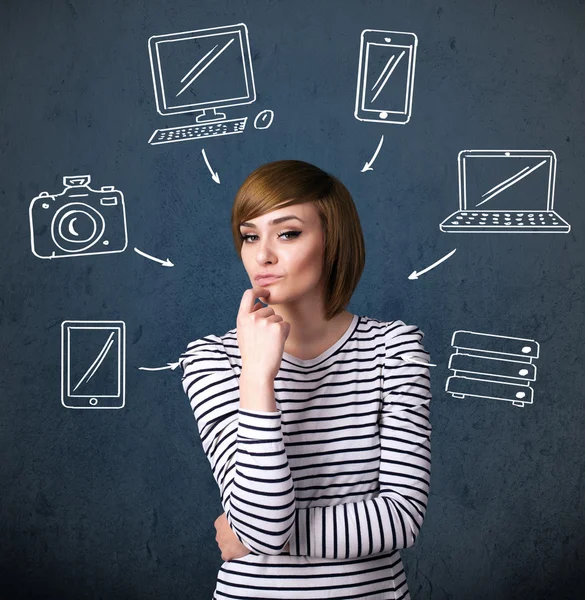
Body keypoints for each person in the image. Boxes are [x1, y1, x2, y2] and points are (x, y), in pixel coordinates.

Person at [179, 159, 432, 599]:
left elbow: (401, 517)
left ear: (332, 240)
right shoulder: (211, 359)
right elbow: (263, 522)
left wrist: (257, 538)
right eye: (250, 236)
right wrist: (257, 377)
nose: (263, 255)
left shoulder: (394, 349)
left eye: (288, 233)